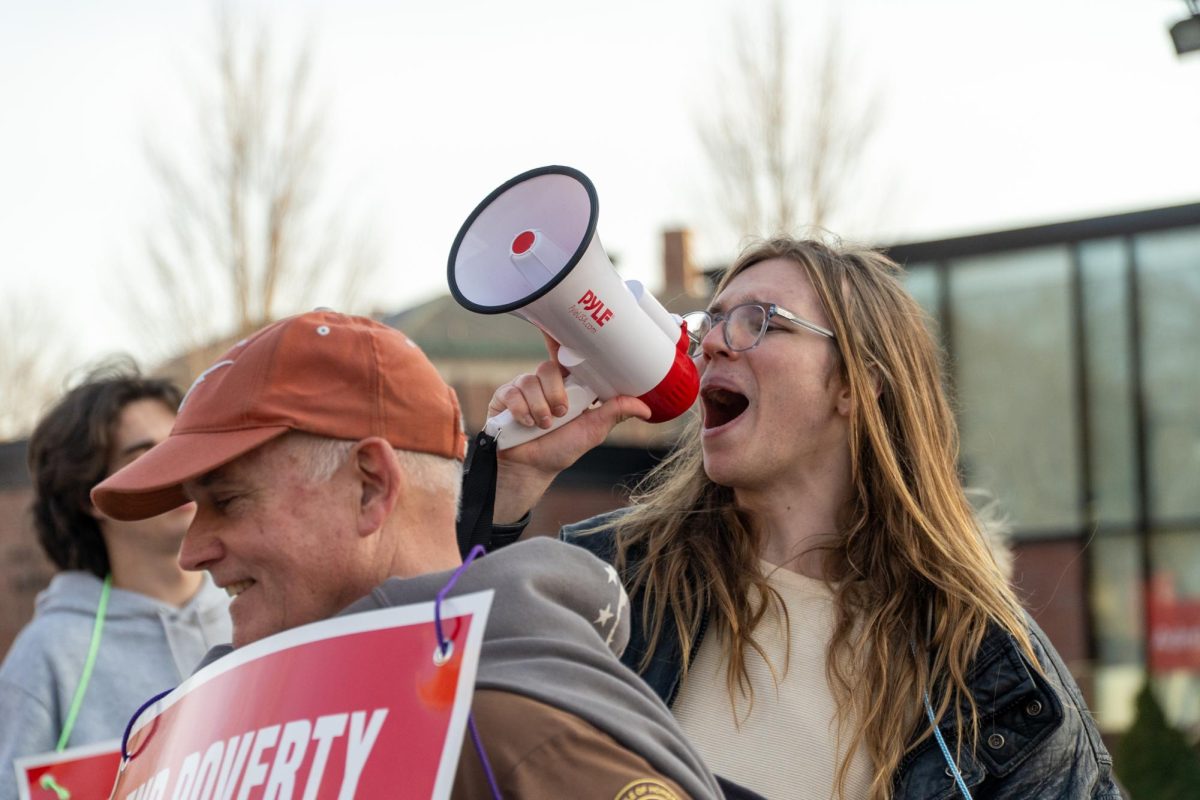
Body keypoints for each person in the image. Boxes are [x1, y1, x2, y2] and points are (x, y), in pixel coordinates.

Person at [482, 237, 1122, 799]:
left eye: (760, 321)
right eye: (712, 320)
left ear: (856, 385)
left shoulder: (988, 667)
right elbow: (427, 695)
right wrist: (507, 484)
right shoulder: (610, 582)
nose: (709, 344)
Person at [90, 310, 726, 800]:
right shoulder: (220, 728)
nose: (192, 553)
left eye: (227, 500)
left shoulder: (516, 727)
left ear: (371, 485)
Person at [0, 362, 231, 800]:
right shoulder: (47, 655)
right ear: (91, 496)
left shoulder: (265, 609)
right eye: (144, 455)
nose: (176, 474)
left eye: (178, 448)